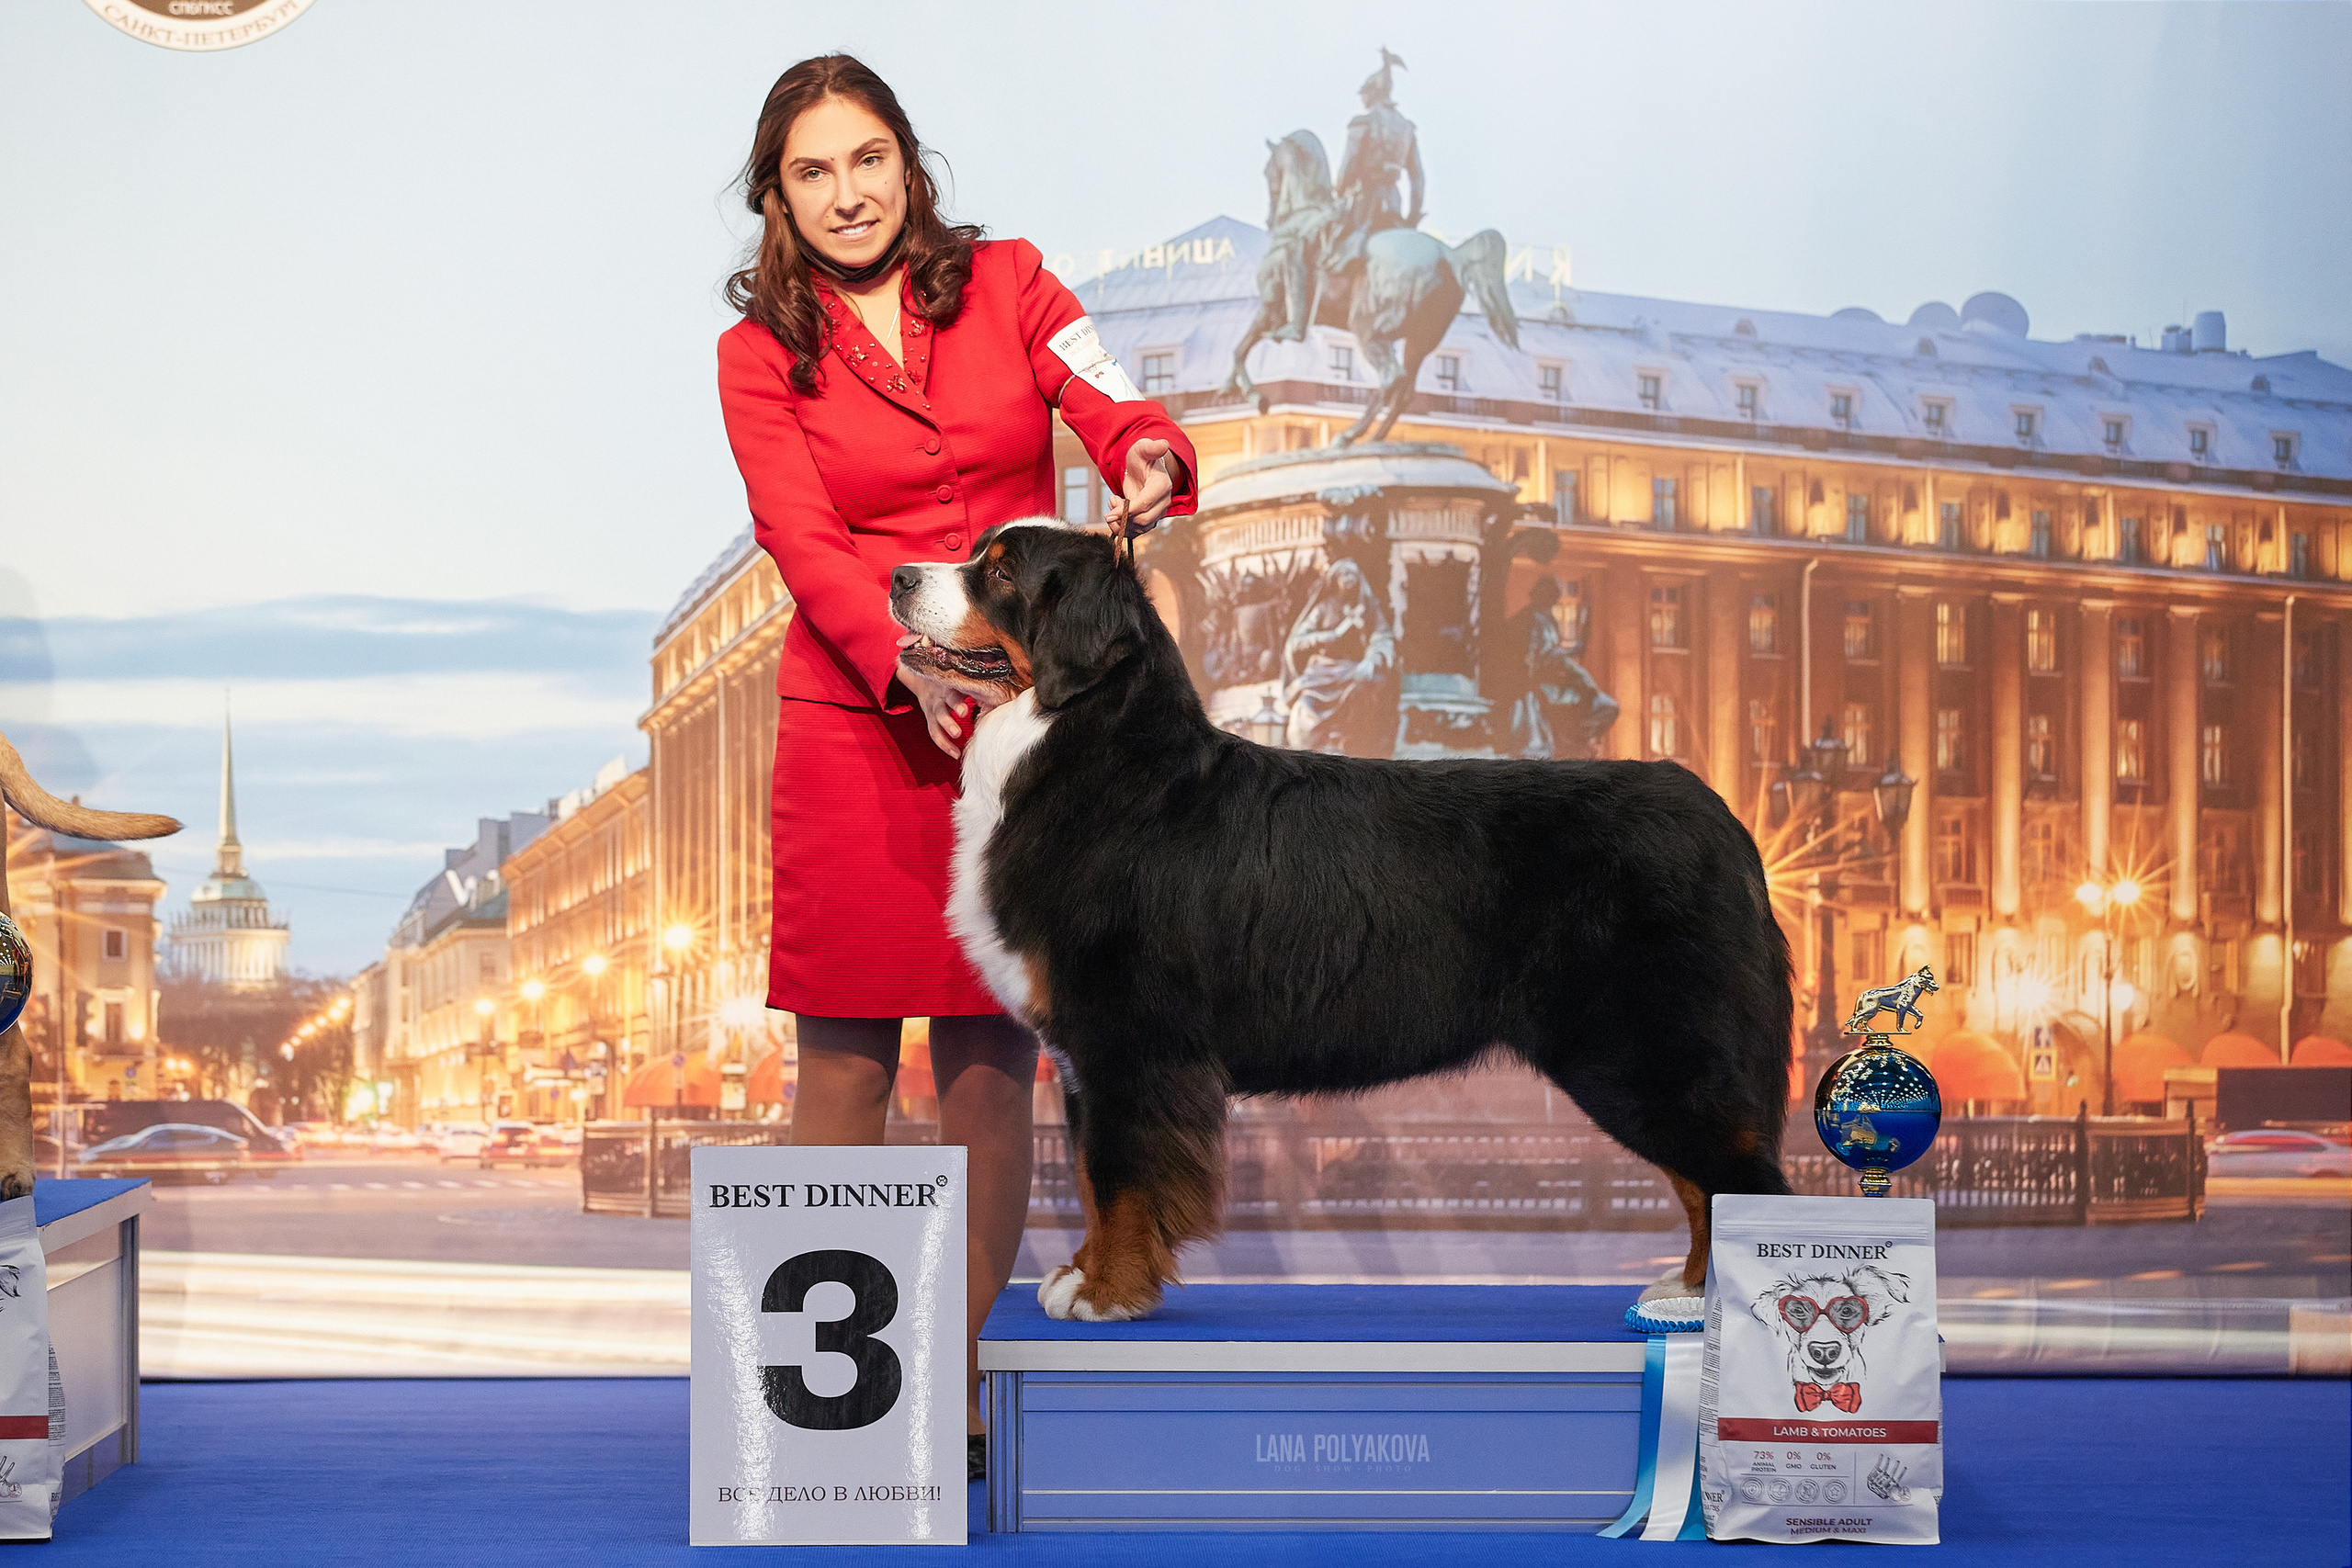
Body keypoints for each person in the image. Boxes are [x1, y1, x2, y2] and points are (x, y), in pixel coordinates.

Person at [715, 55, 1199, 1476]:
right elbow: (801, 537)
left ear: (908, 164)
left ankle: (953, 1378)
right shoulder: (756, 354)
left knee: (991, 1062)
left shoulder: (1011, 281)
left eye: (866, 159)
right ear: (776, 197)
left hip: (1020, 732)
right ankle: (826, 1416)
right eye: (812, 172)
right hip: (857, 724)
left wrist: (1148, 454)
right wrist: (902, 661)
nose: (846, 193)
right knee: (844, 1065)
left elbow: (1110, 401)